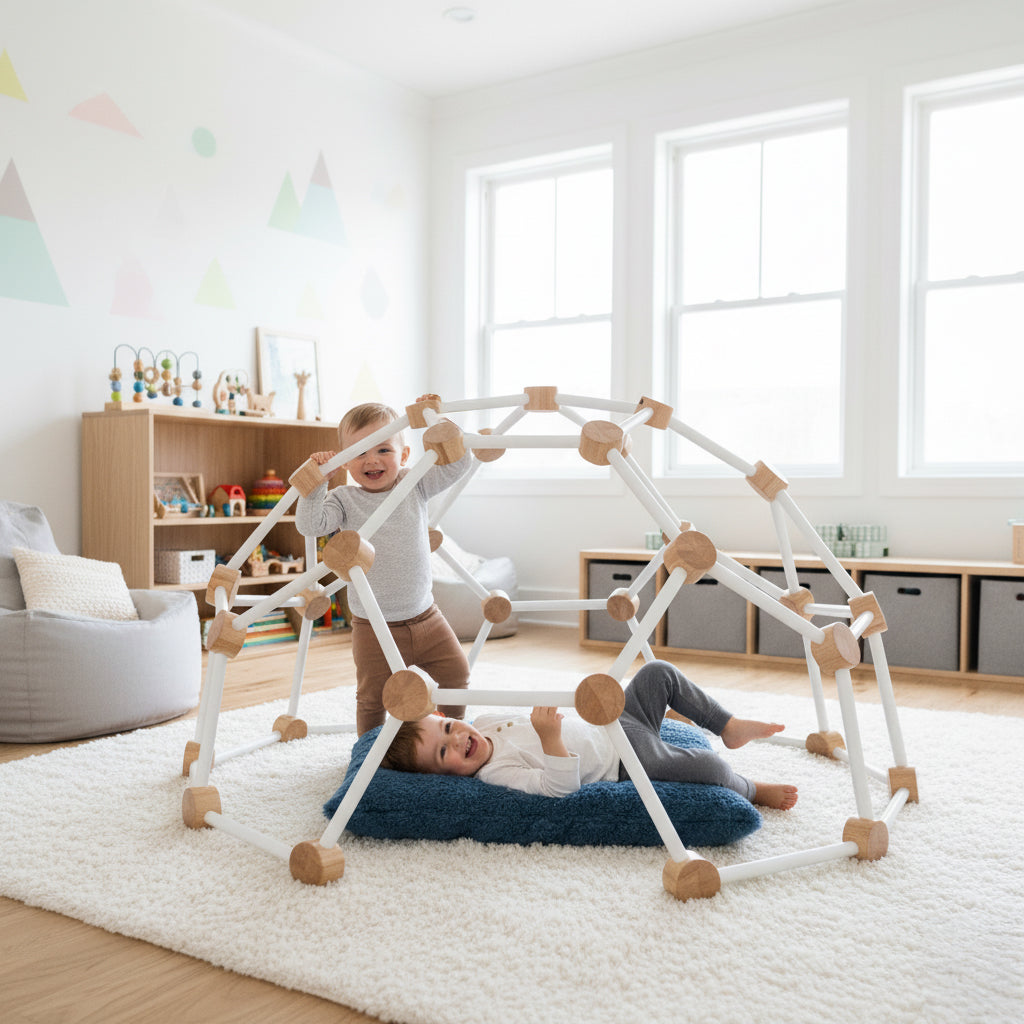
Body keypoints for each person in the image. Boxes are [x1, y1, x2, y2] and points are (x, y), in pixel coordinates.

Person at [382, 659, 799, 810]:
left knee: (657, 673)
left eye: (449, 727)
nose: (456, 740)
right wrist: (549, 740)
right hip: (626, 760)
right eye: (442, 754)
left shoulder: (487, 720)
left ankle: (727, 726)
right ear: (443, 778)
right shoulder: (496, 773)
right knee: (708, 766)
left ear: (444, 714)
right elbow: (558, 788)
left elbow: (419, 678)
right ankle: (749, 789)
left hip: (616, 721)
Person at [296, 398, 472, 734]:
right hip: (372, 626)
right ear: (345, 461)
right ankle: (369, 754)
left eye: (383, 450)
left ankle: (451, 730)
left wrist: (438, 423)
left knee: (457, 675)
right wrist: (319, 481)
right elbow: (310, 524)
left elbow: (457, 465)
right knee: (371, 698)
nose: (372, 460)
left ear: (404, 456)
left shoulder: (414, 482)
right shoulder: (343, 499)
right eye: (360, 452)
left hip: (426, 616)